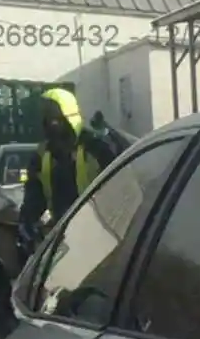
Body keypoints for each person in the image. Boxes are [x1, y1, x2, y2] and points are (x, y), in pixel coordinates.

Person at [16, 87, 127, 262]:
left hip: (105, 238)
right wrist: (27, 225)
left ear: (70, 117)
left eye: (56, 119)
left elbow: (125, 187)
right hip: (65, 240)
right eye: (47, 120)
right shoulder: (42, 155)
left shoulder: (97, 147)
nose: (52, 125)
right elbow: (33, 197)